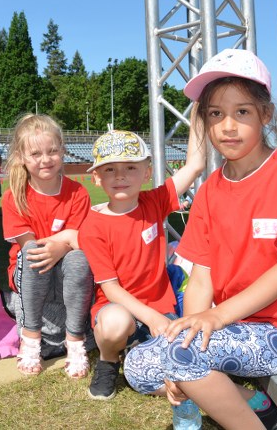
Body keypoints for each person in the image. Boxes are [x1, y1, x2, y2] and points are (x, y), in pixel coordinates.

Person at [122, 49, 277, 430]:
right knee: (137, 365)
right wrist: (191, 326)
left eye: (242, 112)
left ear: (266, 114)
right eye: (216, 114)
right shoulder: (209, 192)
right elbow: (201, 276)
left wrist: (215, 318)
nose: (228, 126)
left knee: (181, 356)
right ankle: (258, 405)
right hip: (233, 326)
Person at [78, 124, 206, 401]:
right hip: (120, 310)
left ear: (147, 173)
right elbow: (111, 289)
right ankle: (109, 360)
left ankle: (140, 354)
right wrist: (151, 318)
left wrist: (197, 107)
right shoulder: (92, 226)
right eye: (109, 169)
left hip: (163, 310)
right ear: (96, 177)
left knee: (185, 364)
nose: (120, 176)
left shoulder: (155, 202)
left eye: (130, 167)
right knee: (115, 322)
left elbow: (195, 165)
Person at [2, 114, 94, 379]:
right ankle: (31, 338)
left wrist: (64, 245)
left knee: (79, 259)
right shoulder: (14, 196)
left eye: (52, 151)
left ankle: (75, 341)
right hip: (30, 271)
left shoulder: (78, 193)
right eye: (36, 153)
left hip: (65, 268)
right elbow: (29, 245)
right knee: (33, 252)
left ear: (63, 150)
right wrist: (65, 239)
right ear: (21, 157)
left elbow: (79, 242)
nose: (45, 159)